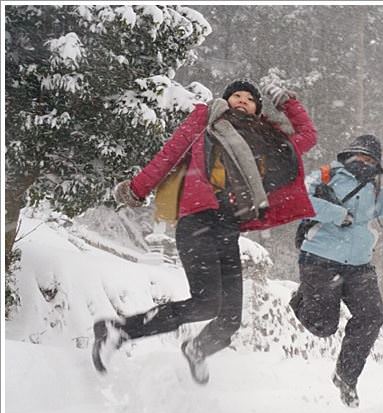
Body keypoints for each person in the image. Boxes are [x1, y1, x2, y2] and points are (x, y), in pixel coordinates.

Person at [93, 79, 317, 384]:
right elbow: (169, 154)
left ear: (257, 108)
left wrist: (288, 102)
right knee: (205, 302)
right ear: (225, 100)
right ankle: (118, 331)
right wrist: (137, 188)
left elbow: (307, 137)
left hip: (227, 229)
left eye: (248, 99)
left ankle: (197, 349)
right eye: (235, 96)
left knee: (229, 319)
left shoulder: (264, 139)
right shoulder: (207, 119)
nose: (241, 100)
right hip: (197, 222)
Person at [290, 135, 383, 407]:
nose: (364, 161)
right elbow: (298, 200)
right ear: (348, 155)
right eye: (359, 156)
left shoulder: (374, 192)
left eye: (370, 158)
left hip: (360, 266)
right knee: (323, 327)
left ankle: (346, 376)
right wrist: (337, 214)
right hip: (320, 260)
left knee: (372, 317)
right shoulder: (325, 176)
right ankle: (299, 298)